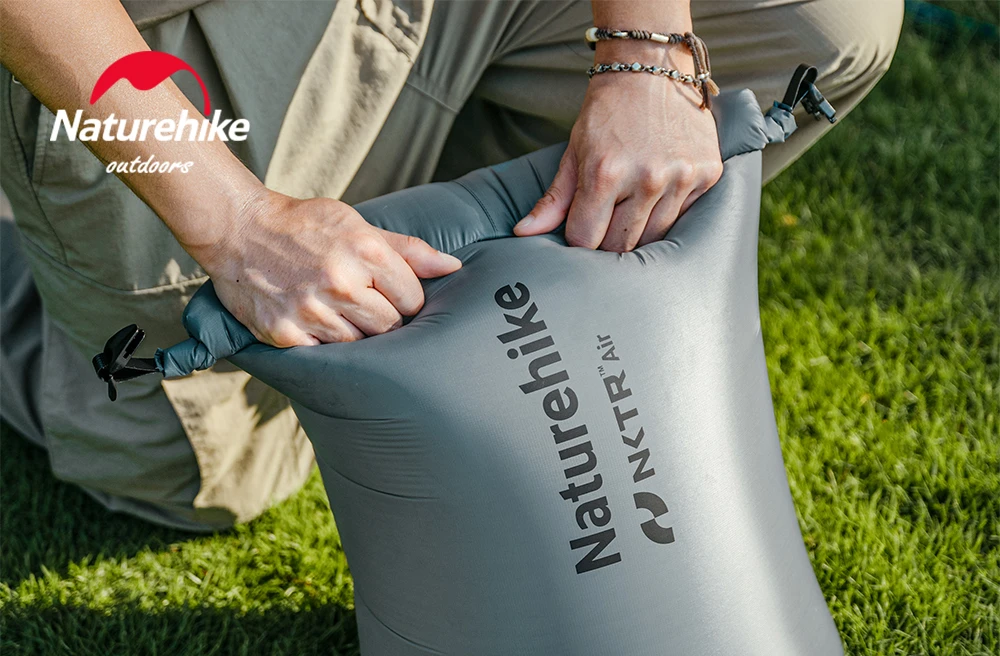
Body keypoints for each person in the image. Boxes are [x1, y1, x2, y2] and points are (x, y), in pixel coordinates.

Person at [0, 0, 902, 531]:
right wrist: (241, 225)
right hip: (153, 35)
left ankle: (442, 248)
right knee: (197, 478)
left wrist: (646, 51)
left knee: (828, 19)